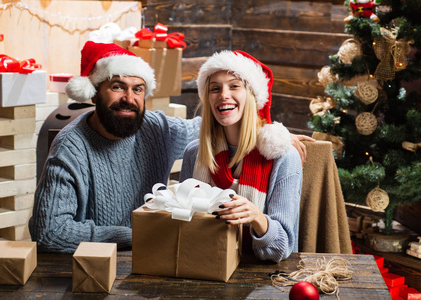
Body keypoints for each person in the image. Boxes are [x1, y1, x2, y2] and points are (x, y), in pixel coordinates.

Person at [29, 41, 201, 253]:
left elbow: (205, 128)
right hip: (93, 268)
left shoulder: (155, 129)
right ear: (94, 93)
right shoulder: (70, 147)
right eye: (117, 87)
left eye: (137, 89)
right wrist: (133, 234)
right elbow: (49, 233)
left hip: (151, 259)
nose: (129, 99)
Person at [179, 50, 302, 262]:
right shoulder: (194, 153)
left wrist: (256, 217)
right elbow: (179, 225)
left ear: (252, 95)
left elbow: (282, 248)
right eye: (214, 88)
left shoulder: (283, 157)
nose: (223, 95)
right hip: (201, 266)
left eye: (234, 86)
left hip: (261, 279)